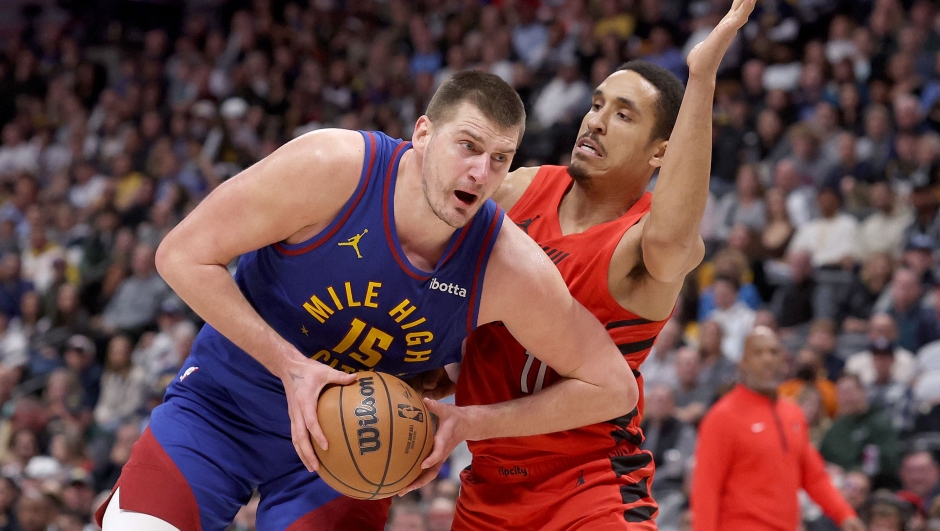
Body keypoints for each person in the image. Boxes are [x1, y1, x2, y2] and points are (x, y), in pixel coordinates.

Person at [97, 71, 640, 531]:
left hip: (353, 450)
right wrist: (291, 367)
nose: (482, 173)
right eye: (468, 146)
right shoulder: (332, 167)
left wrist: (469, 423)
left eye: (501, 158)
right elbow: (180, 255)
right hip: (223, 408)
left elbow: (611, 387)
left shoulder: (508, 265)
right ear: (423, 133)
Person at [451, 2, 755, 529]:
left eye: (622, 114)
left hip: (591, 487)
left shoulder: (645, 247)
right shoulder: (521, 188)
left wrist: (702, 76)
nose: (595, 121)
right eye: (597, 104)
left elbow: (673, 231)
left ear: (662, 152)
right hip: (487, 486)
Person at [690, 327, 864, 531]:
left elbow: (814, 476)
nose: (767, 359)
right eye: (758, 352)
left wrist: (844, 514)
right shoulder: (721, 417)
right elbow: (706, 489)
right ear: (742, 364)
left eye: (773, 352)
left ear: (783, 360)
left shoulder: (793, 413)